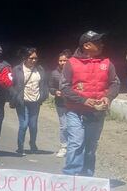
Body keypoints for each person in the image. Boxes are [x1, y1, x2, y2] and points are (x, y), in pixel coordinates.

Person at [60, 31, 121, 177]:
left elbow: (115, 83)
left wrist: (108, 97)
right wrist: (84, 100)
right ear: (87, 45)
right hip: (75, 111)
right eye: (98, 42)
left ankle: (87, 178)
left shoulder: (107, 63)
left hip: (96, 113)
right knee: (76, 143)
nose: (102, 45)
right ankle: (70, 176)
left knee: (91, 145)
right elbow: (64, 87)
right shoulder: (71, 63)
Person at [11, 47, 49, 155]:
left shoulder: (40, 69)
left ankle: (33, 144)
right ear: (25, 58)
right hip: (22, 101)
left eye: (35, 58)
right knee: (24, 124)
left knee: (33, 125)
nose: (34, 60)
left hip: (35, 101)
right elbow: (11, 85)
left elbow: (44, 84)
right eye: (31, 58)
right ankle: (20, 147)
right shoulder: (17, 69)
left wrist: (43, 96)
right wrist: (16, 96)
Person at [49, 50, 72, 158]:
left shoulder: (74, 72)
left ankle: (73, 147)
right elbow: (50, 87)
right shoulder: (54, 73)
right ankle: (64, 147)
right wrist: (55, 92)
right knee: (64, 126)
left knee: (74, 126)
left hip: (73, 103)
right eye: (60, 60)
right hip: (61, 103)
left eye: (65, 60)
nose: (62, 62)